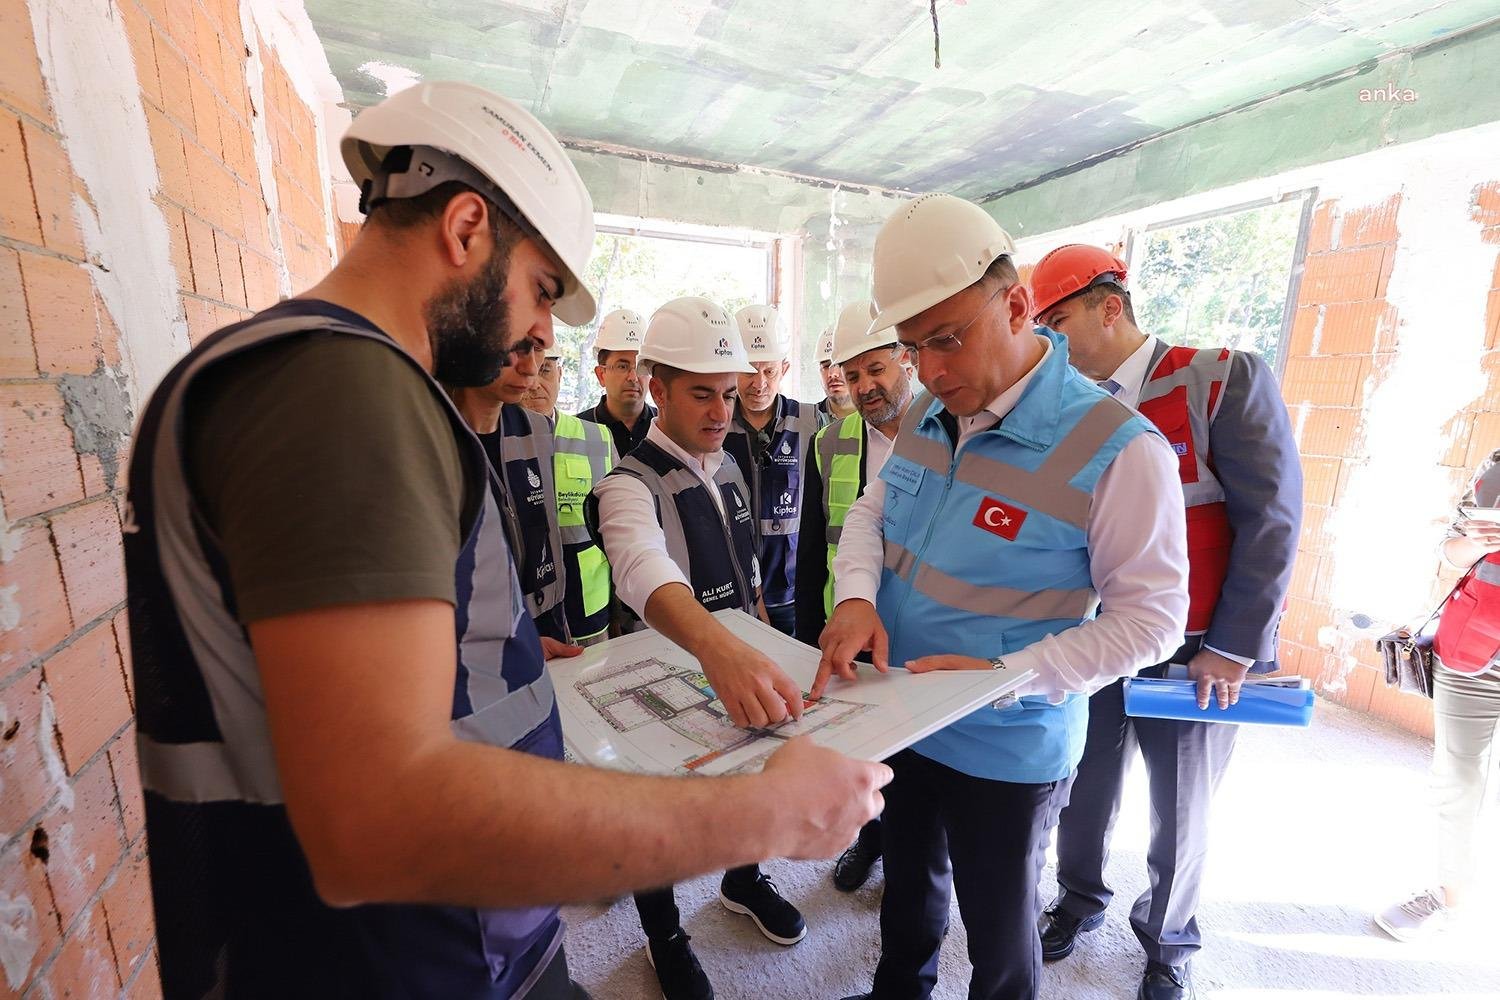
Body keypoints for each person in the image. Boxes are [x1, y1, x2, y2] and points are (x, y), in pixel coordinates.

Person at [122, 81, 890, 1000]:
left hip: (450, 945)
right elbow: (381, 820)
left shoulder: (324, 379)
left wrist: (498, 665)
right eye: (538, 292)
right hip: (405, 963)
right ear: (466, 227)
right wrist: (761, 813)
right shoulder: (341, 393)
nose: (536, 333)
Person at [816, 194, 1189, 1000]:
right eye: (915, 348)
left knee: (998, 934)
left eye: (949, 339)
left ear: (1018, 304)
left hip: (1009, 747)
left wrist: (1007, 677)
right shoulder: (927, 409)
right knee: (909, 896)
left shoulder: (1118, 449)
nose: (934, 370)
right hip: (903, 712)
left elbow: (1153, 621)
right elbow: (872, 512)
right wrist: (854, 596)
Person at [1029, 244, 1303, 1000]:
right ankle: (1080, 900)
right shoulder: (1063, 404)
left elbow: (1273, 520)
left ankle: (1168, 941)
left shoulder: (1216, 378)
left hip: (1196, 649)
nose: (1045, 343)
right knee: (1084, 783)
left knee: (1180, 805)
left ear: (1108, 307)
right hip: (1101, 635)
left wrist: (1233, 647)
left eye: (1056, 321)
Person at [590, 297, 817, 1000]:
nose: (721, 412)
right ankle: (665, 935)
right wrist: (719, 649)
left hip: (735, 670)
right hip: (659, 688)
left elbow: (746, 572)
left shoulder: (727, 469)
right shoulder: (626, 486)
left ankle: (742, 881)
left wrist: (753, 635)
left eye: (727, 394)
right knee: (650, 820)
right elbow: (640, 565)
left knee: (751, 779)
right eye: (701, 395)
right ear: (656, 389)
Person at [795, 300, 915, 893]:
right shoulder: (830, 441)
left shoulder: (946, 430)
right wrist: (808, 626)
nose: (864, 385)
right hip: (849, 629)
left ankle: (908, 858)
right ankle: (871, 841)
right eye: (852, 373)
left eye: (876, 369)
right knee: (861, 749)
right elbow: (813, 542)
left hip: (914, 626)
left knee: (914, 756)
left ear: (905, 360)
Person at [1377, 448, 1500, 941]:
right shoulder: (1495, 466)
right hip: (1471, 651)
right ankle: (1450, 898)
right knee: (1458, 783)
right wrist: (1473, 543)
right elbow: (1452, 550)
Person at [449, 327, 572, 644]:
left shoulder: (538, 430)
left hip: (550, 629)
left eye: (537, 349)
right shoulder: (429, 437)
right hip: (478, 647)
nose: (531, 369)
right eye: (515, 347)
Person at [724, 305, 821, 637]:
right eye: (749, 370)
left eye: (769, 371)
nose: (758, 383)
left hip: (796, 592)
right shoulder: (715, 426)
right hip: (735, 595)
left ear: (785, 368)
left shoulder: (810, 423)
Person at [526, 350, 619, 645]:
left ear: (560, 374)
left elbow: (617, 533)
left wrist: (619, 613)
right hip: (527, 617)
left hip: (589, 614)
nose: (535, 384)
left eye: (546, 371)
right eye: (528, 373)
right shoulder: (496, 441)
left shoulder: (598, 438)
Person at [578, 308, 654, 460]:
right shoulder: (576, 431)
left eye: (640, 367)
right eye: (622, 366)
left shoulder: (666, 429)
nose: (633, 377)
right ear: (601, 375)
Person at [814, 323, 856, 423]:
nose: (833, 374)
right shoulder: (807, 422)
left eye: (840, 364)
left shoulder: (878, 420)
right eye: (826, 366)